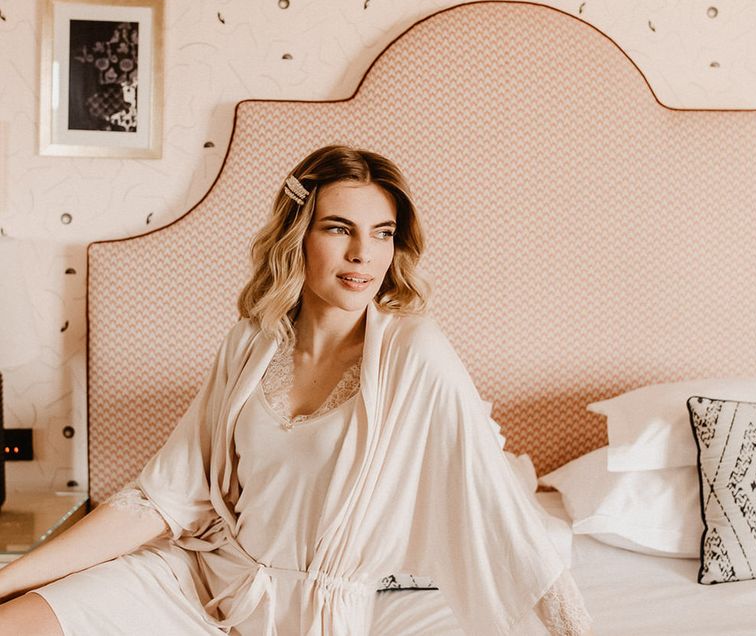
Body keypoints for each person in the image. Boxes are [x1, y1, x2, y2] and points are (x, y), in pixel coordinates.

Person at [0, 145, 593, 635]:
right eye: (340, 229)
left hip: (313, 616)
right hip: (204, 580)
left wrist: (573, 630)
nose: (364, 253)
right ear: (298, 236)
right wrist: (11, 578)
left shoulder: (414, 351)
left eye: (382, 233)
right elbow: (161, 499)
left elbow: (499, 513)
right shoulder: (250, 344)